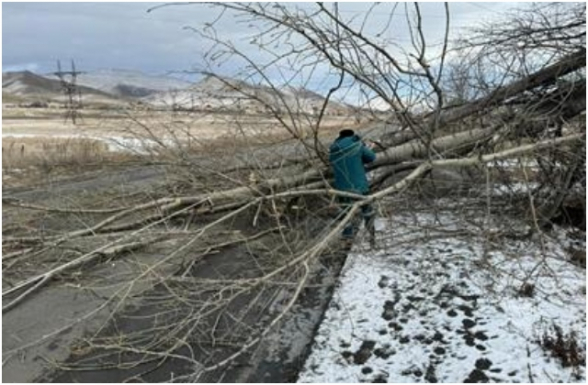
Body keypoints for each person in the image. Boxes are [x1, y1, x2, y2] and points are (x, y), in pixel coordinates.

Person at [329, 129, 377, 247]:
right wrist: (366, 148)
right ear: (352, 135)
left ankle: (347, 239)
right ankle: (371, 234)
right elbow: (371, 157)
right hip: (359, 186)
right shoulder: (357, 145)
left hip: (341, 188)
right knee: (367, 210)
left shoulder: (333, 149)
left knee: (346, 214)